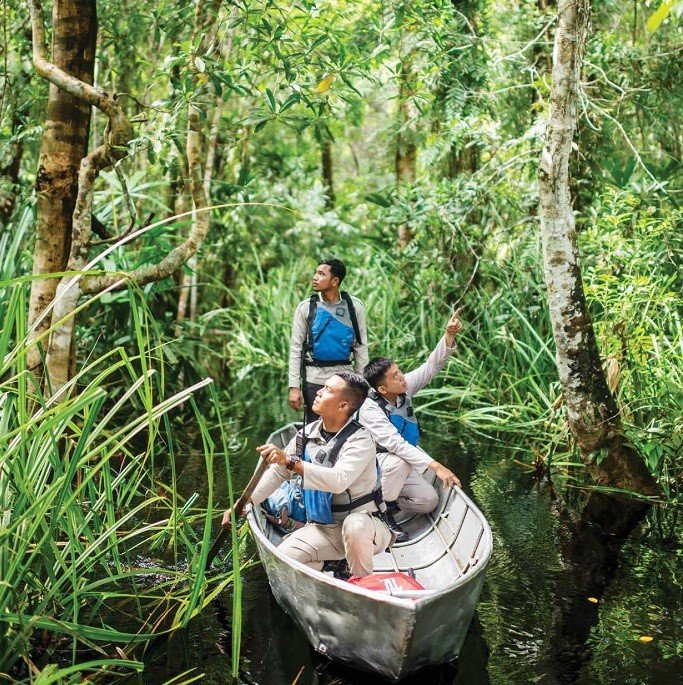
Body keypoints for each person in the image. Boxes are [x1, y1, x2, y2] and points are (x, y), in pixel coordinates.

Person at [223, 371, 391, 578]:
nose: (318, 392)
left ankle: (361, 580)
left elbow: (338, 481)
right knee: (281, 563)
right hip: (325, 529)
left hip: (366, 527)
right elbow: (278, 473)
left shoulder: (361, 440)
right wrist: (244, 503)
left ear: (343, 406)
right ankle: (331, 563)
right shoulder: (306, 434)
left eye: (327, 390)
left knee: (354, 526)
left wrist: (290, 461)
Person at [359, 309, 463, 542]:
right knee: (400, 461)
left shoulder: (403, 389)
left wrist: (448, 335)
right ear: (382, 389)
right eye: (395, 377)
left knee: (428, 501)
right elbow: (395, 445)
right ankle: (379, 513)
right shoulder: (370, 409)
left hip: (398, 467)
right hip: (374, 466)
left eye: (399, 372)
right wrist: (437, 467)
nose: (402, 378)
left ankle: (382, 499)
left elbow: (430, 367)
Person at [288, 259, 368, 421]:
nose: (315, 277)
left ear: (335, 281)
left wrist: (363, 385)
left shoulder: (354, 307)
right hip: (314, 379)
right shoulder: (306, 308)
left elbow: (361, 347)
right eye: (316, 273)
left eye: (321, 274)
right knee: (314, 427)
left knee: (346, 425)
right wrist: (294, 387)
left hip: (345, 380)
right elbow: (296, 348)